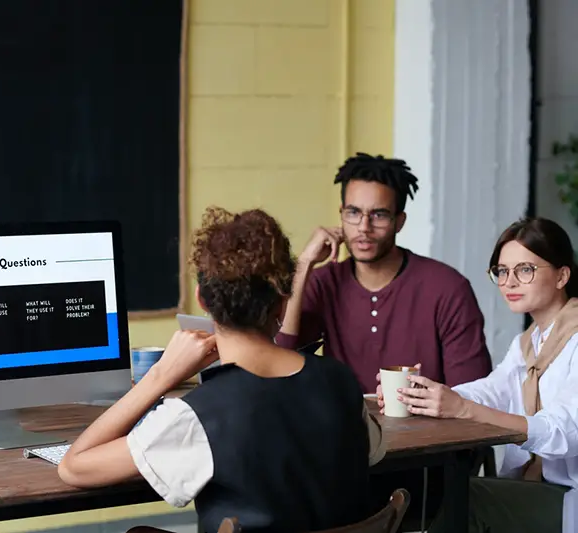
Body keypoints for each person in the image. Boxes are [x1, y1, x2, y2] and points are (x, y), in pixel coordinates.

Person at [58, 207, 386, 532]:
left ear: (202, 299)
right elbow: (372, 452)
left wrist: (160, 376)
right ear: (283, 300)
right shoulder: (341, 382)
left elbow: (73, 468)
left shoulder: (198, 416)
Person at [274, 152, 493, 527]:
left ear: (399, 221)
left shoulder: (446, 288)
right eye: (353, 213)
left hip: (425, 459)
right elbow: (280, 356)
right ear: (340, 215)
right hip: (345, 452)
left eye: (379, 215)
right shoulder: (325, 284)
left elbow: (472, 394)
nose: (363, 227)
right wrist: (305, 265)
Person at [381, 216, 578, 533]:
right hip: (543, 483)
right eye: (502, 271)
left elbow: (564, 431)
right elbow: (493, 390)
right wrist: (428, 394)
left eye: (525, 270)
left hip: (571, 495)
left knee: (470, 497)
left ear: (561, 276)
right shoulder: (528, 343)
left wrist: (462, 408)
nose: (509, 282)